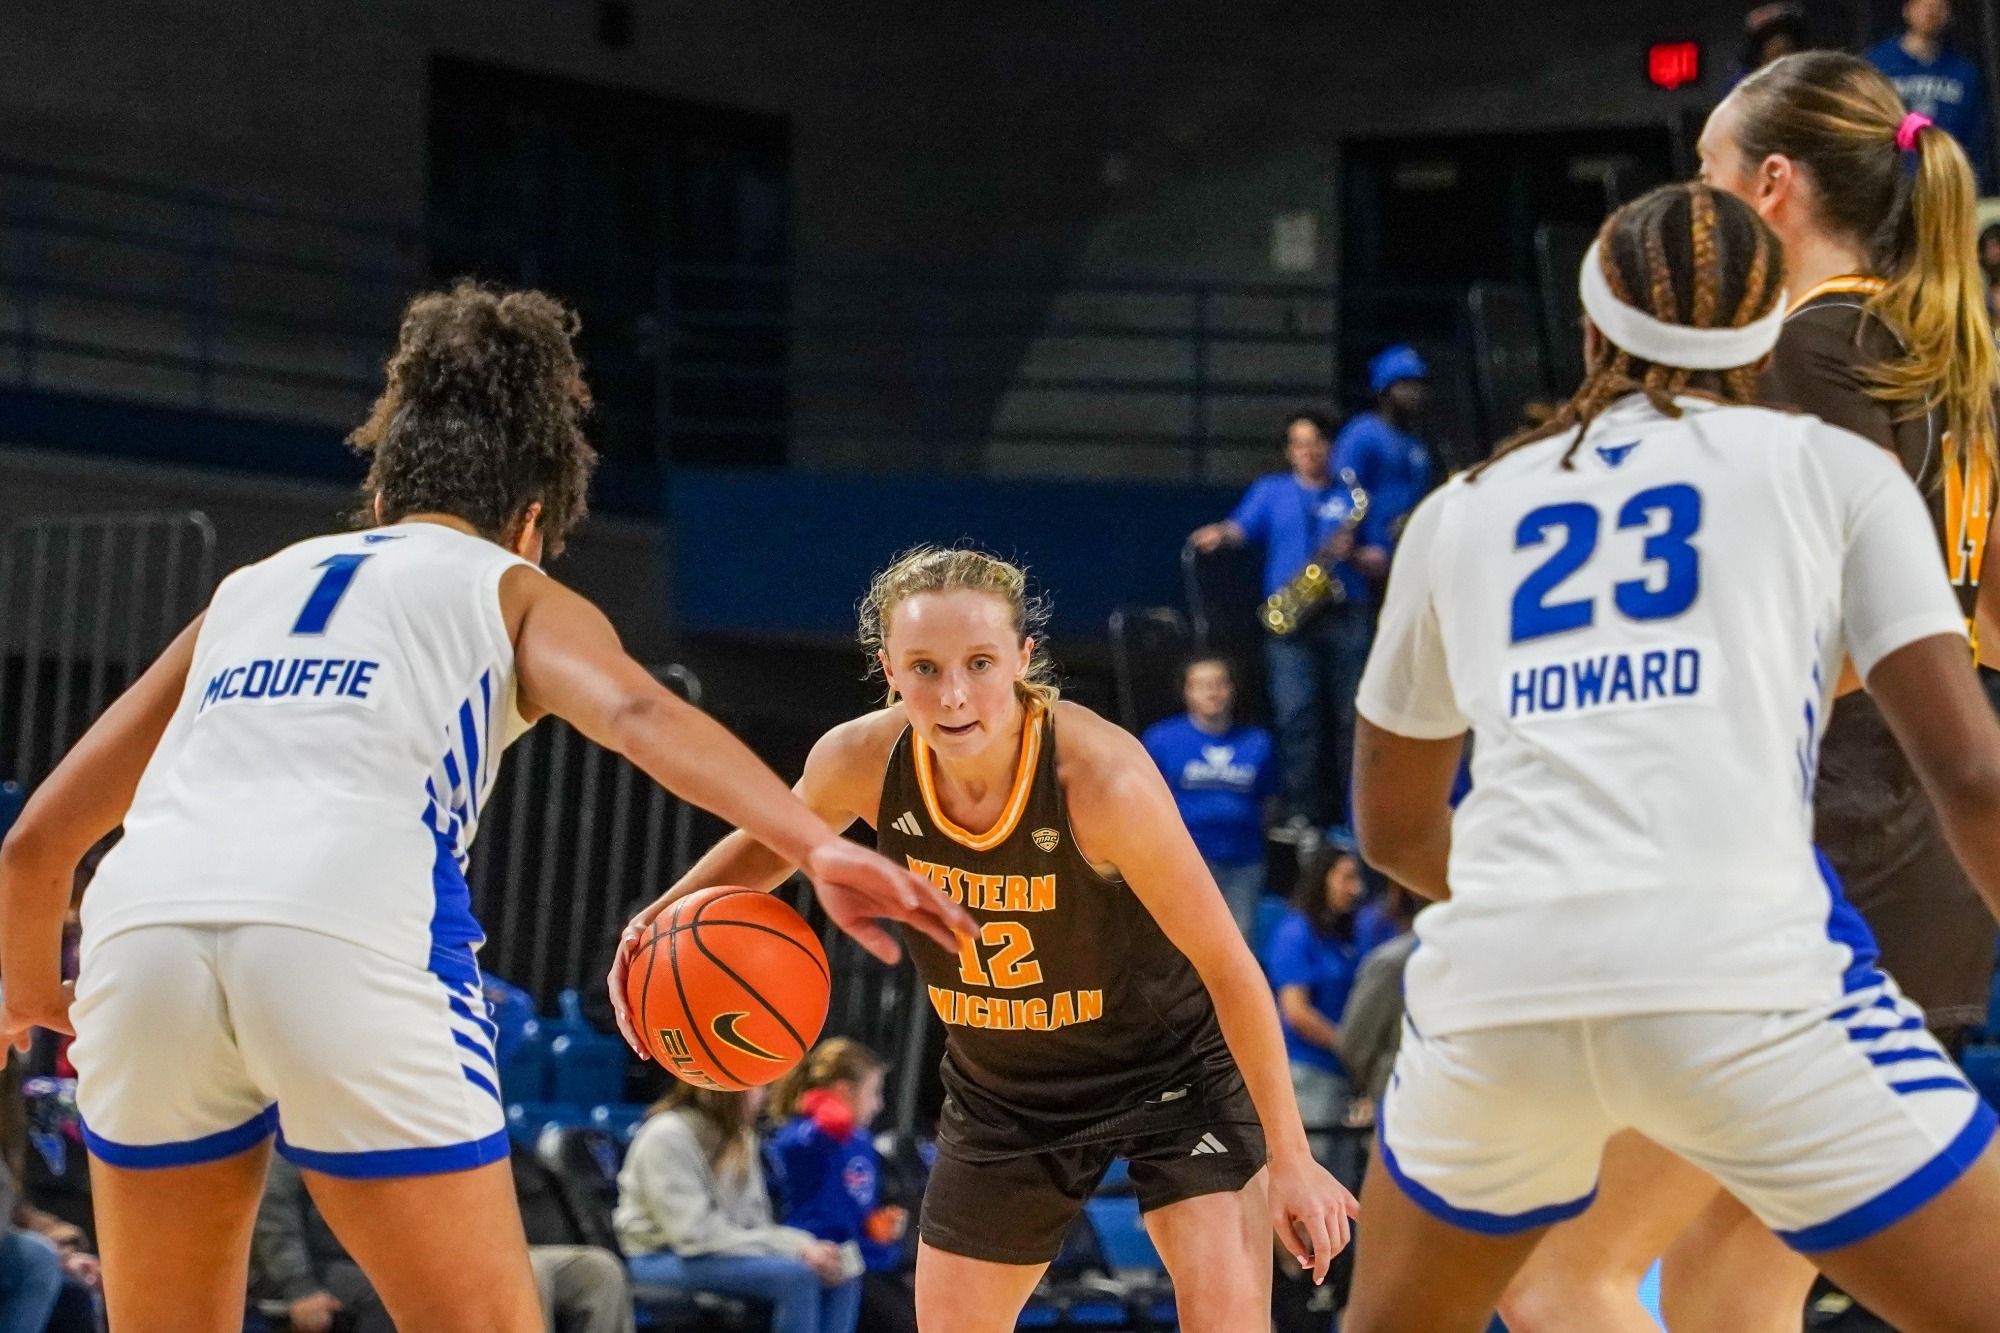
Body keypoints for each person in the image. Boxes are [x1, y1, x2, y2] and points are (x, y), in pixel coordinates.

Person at [0, 282, 973, 1333]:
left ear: (382, 494)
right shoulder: (507, 585)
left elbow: (36, 842)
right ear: (532, 520)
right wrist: (815, 845)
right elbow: (638, 711)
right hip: (347, 924)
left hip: (141, 934)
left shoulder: (245, 591)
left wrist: (32, 992)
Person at [1342, 180, 2000, 1333]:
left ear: (1586, 325)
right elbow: (1971, 776)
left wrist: (1568, 897)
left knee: (1488, 1300)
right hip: (1737, 969)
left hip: (1500, 989)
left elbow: (1391, 828)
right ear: (1767, 330)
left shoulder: (1460, 506)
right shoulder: (1828, 471)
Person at [610, 546, 1355, 1333]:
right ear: (888, 669)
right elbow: (773, 843)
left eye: (980, 662)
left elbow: (1229, 965)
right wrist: (653, 926)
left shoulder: (1101, 780)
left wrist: (1292, 1156)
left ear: (1023, 659)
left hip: (1167, 1073)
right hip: (1005, 1092)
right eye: (924, 667)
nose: (954, 693)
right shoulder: (859, 761)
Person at [1189, 410, 1367, 832]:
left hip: (1345, 613)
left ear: (1330, 447)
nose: (1308, 451)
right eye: (1299, 444)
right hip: (1292, 617)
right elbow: (1240, 527)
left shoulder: (1352, 493)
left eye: (1316, 442)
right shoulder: (1272, 490)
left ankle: (1354, 811)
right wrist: (1221, 533)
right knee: (1296, 715)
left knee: (1352, 717)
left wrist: (1356, 553)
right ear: (1289, 451)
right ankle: (1302, 811)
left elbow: (1377, 555)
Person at [252, 1154, 634, 1333]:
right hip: (330, 1263)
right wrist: (300, 1289)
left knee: (595, 1271)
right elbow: (273, 1215)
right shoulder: (302, 1118)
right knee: (524, 1275)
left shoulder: (414, 1115)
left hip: (431, 1250)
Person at [615, 1084, 859, 1333]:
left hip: (718, 1251)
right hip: (657, 1257)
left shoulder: (740, 1137)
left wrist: (806, 1246)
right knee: (797, 1277)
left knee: (842, 1268)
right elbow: (694, 1237)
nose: (764, 1096)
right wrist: (798, 1250)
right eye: (757, 1087)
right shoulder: (667, 1134)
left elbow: (756, 1225)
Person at [764, 1039, 915, 1333]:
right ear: (843, 1091)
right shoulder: (801, 1136)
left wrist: (878, 1226)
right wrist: (819, 1106)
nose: (879, 1105)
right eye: (874, 1092)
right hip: (814, 1257)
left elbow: (857, 1207)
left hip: (861, 1259)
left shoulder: (862, 1140)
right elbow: (815, 1139)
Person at [1141, 656, 1277, 938]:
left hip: (1243, 862)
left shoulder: (1258, 742)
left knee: (1239, 939)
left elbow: (1269, 801)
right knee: (1184, 939)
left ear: (1231, 690)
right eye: (1202, 685)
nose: (1212, 692)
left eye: (1219, 684)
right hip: (1185, 861)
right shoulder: (1161, 739)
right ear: (1187, 693)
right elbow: (1145, 801)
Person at [1262, 842, 1364, 1167]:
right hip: (1306, 1073)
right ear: (1322, 878)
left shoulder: (1341, 938)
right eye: (1347, 878)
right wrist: (1349, 1045)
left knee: (1342, 1175)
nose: (1355, 889)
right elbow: (1296, 1012)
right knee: (1313, 1170)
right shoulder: (1295, 932)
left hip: (1340, 1074)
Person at [1866, 0, 1989, 190]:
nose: (1930, 12)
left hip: (1945, 183)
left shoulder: (1964, 73)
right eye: (1923, 4)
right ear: (1907, 10)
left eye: (1939, 6)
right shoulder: (1877, 65)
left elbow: (1976, 139)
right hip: (1891, 184)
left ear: (1949, 14)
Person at [1333, 345, 1433, 574]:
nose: (1416, 393)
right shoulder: (1362, 432)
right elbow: (1343, 493)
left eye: (1420, 385)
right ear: (1384, 390)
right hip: (1365, 564)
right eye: (1406, 385)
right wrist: (1356, 551)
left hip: (1404, 559)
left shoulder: (1417, 443)